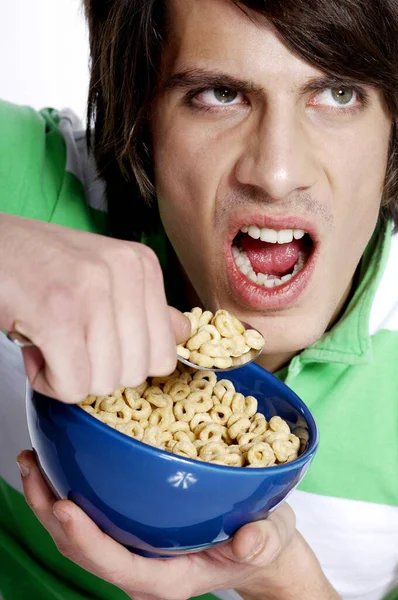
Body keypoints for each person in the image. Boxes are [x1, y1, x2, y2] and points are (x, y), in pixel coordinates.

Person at [0, 0, 397, 599]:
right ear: (141, 119)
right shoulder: (39, 183)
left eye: (338, 93)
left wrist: (279, 578)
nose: (278, 172)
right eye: (218, 93)